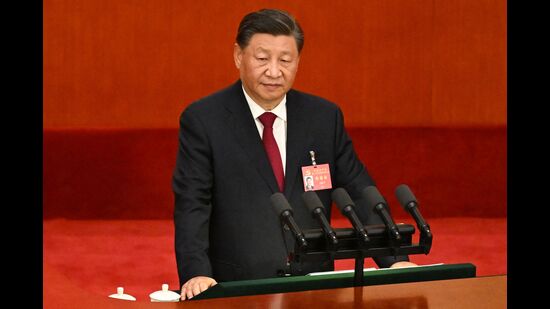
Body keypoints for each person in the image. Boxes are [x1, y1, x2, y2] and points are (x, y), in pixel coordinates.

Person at [172, 8, 416, 301]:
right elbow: (193, 204)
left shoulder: (323, 118)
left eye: (285, 60)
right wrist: (196, 272)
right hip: (238, 289)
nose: (274, 71)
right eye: (262, 59)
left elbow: (360, 193)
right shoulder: (204, 120)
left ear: (298, 61)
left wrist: (394, 259)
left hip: (314, 288)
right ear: (239, 56)